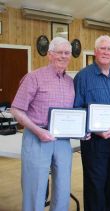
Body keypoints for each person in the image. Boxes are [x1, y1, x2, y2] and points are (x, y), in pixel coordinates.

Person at [10, 37, 74, 211]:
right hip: (36, 137)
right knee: (35, 187)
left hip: (62, 141)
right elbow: (16, 109)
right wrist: (38, 131)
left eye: (67, 53)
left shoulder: (70, 82)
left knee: (63, 188)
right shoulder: (34, 77)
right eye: (59, 52)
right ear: (49, 54)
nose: (63, 56)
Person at [73, 35, 110, 211]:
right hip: (94, 141)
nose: (106, 52)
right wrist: (94, 129)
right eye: (103, 48)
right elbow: (76, 108)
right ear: (95, 51)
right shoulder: (83, 77)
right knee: (95, 185)